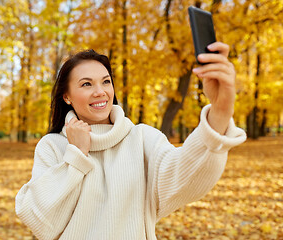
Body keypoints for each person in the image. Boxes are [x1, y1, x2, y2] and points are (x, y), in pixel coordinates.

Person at [15, 42, 246, 240]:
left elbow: (185, 175)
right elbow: (41, 221)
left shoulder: (143, 138)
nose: (100, 92)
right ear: (66, 96)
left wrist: (221, 109)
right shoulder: (53, 146)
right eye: (87, 84)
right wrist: (76, 156)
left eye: (106, 82)